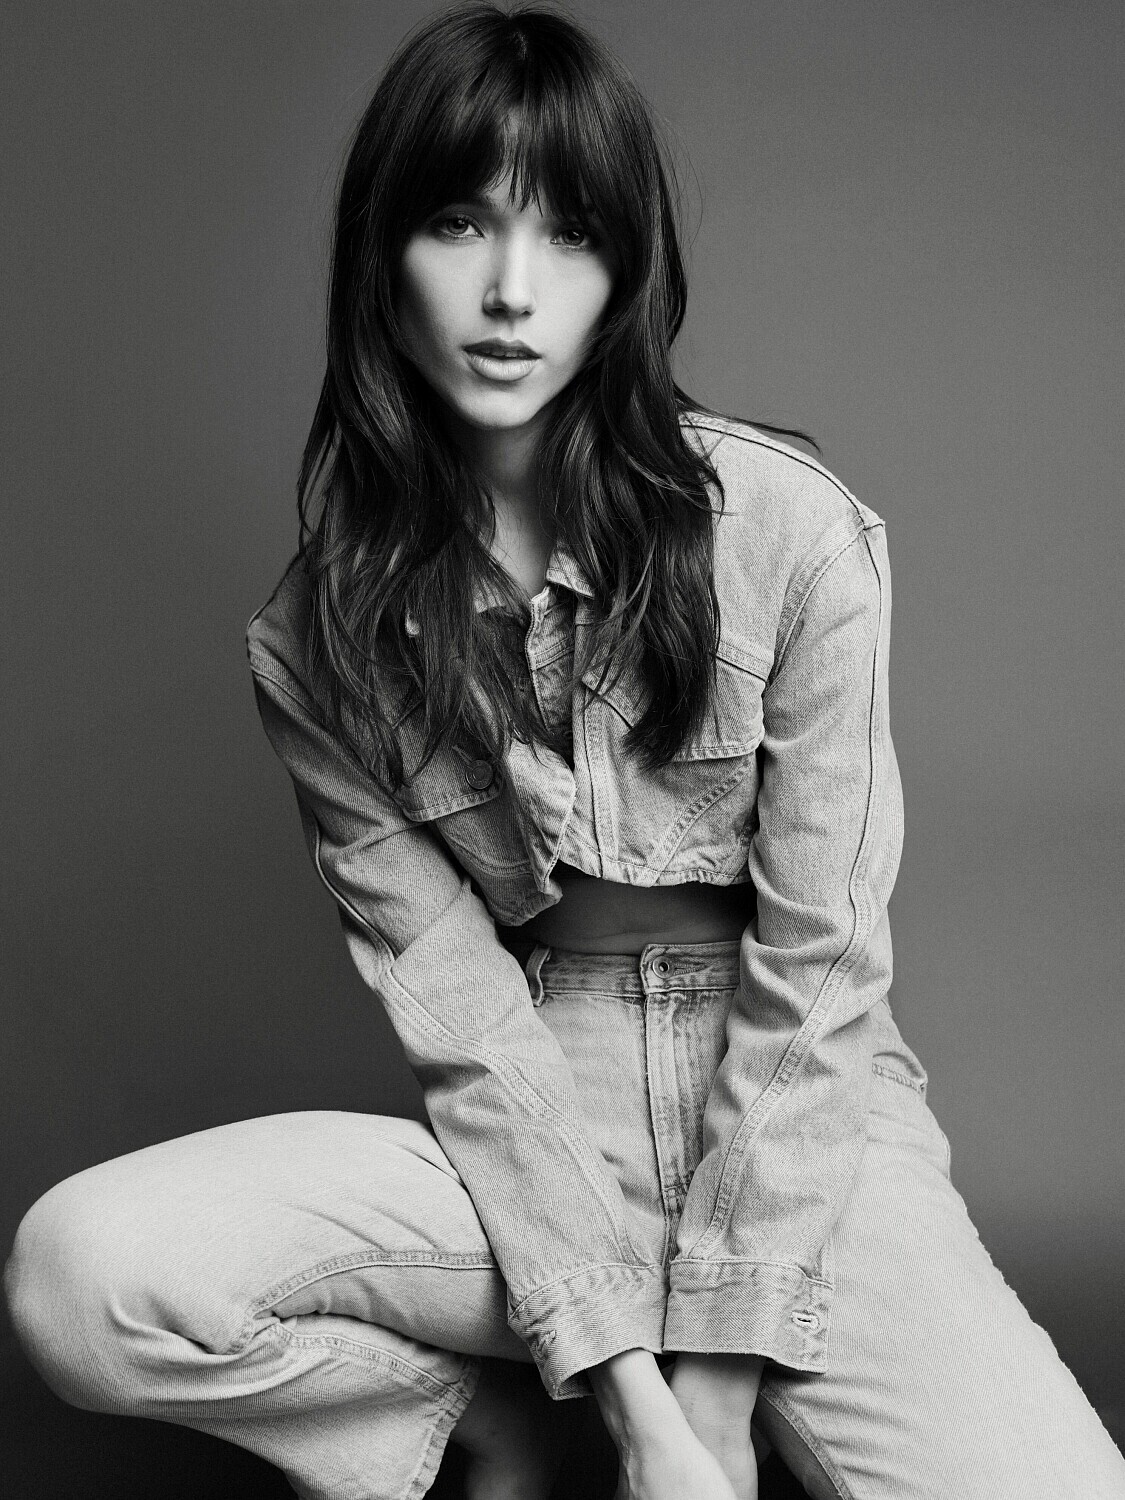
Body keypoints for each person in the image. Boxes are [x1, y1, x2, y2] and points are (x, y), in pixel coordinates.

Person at [5, 5, 1124, 1499]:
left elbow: (825, 958)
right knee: (83, 1274)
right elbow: (465, 1024)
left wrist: (715, 1392)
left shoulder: (791, 533)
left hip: (800, 1120)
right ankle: (484, 1414)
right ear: (383, 253)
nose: (512, 291)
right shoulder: (320, 639)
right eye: (461, 222)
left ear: (625, 274)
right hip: (532, 1124)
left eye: (570, 235)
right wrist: (626, 1402)